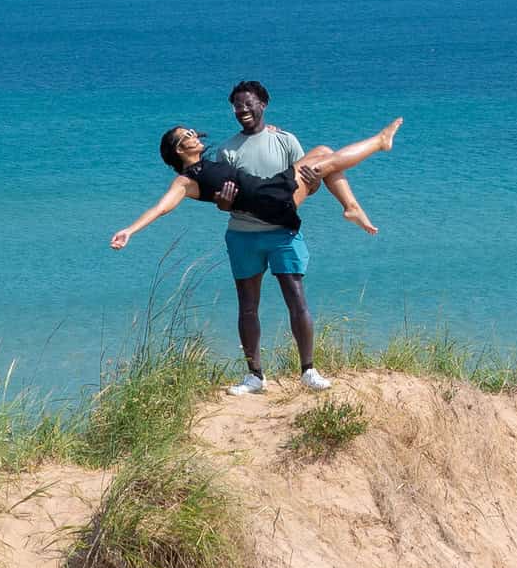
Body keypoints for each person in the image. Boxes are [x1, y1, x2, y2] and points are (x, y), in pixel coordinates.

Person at [110, 113, 403, 393]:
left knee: (323, 152)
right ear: (178, 149)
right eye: (184, 135)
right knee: (323, 163)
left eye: (190, 131)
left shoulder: (212, 161)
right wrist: (130, 230)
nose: (192, 134)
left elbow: (246, 152)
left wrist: (267, 133)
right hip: (272, 202)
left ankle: (351, 207)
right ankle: (379, 142)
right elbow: (161, 208)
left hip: (271, 192)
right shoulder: (186, 181)